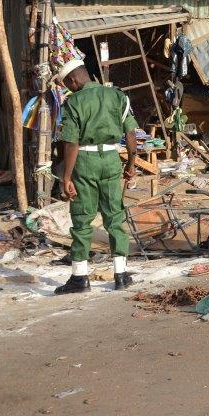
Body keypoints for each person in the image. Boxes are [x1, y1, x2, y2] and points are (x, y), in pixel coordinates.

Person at [54, 59, 139, 294]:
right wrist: (131, 165)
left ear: (73, 80)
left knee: (82, 219)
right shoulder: (118, 96)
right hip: (111, 160)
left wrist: (66, 177)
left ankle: (79, 278)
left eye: (67, 85)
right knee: (114, 217)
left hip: (84, 163)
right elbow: (131, 136)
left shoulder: (74, 102)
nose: (69, 89)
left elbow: (71, 143)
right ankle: (121, 274)